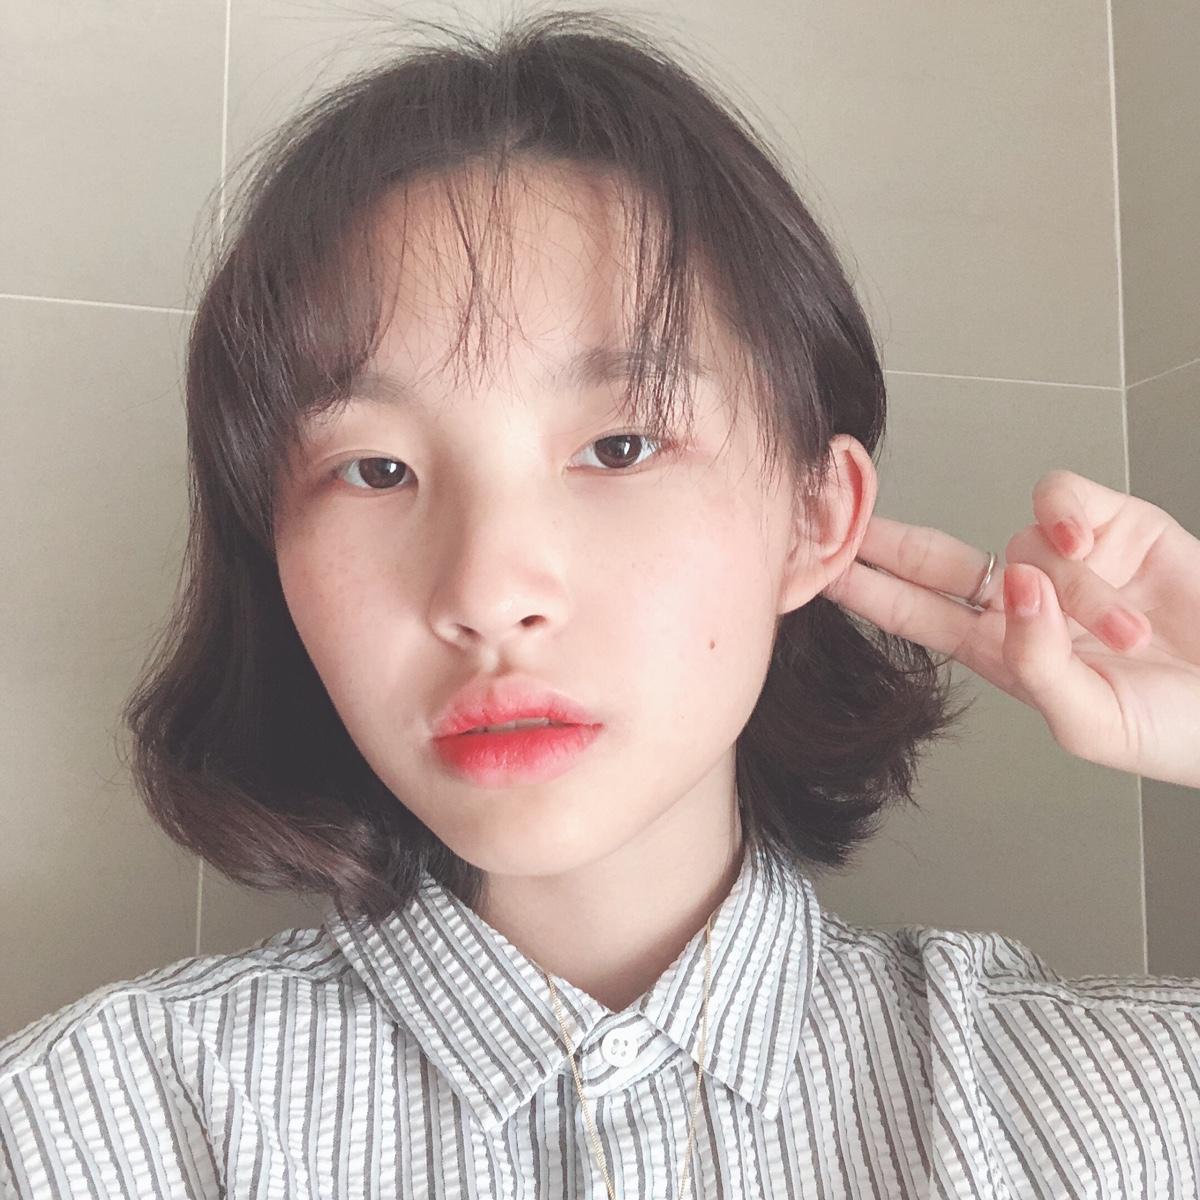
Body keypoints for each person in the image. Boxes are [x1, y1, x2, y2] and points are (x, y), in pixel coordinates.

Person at [2, 10, 1198, 1198]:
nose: (486, 595)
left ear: (815, 515)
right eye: (375, 469)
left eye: (621, 446)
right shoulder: (83, 1132)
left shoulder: (1127, 1113)